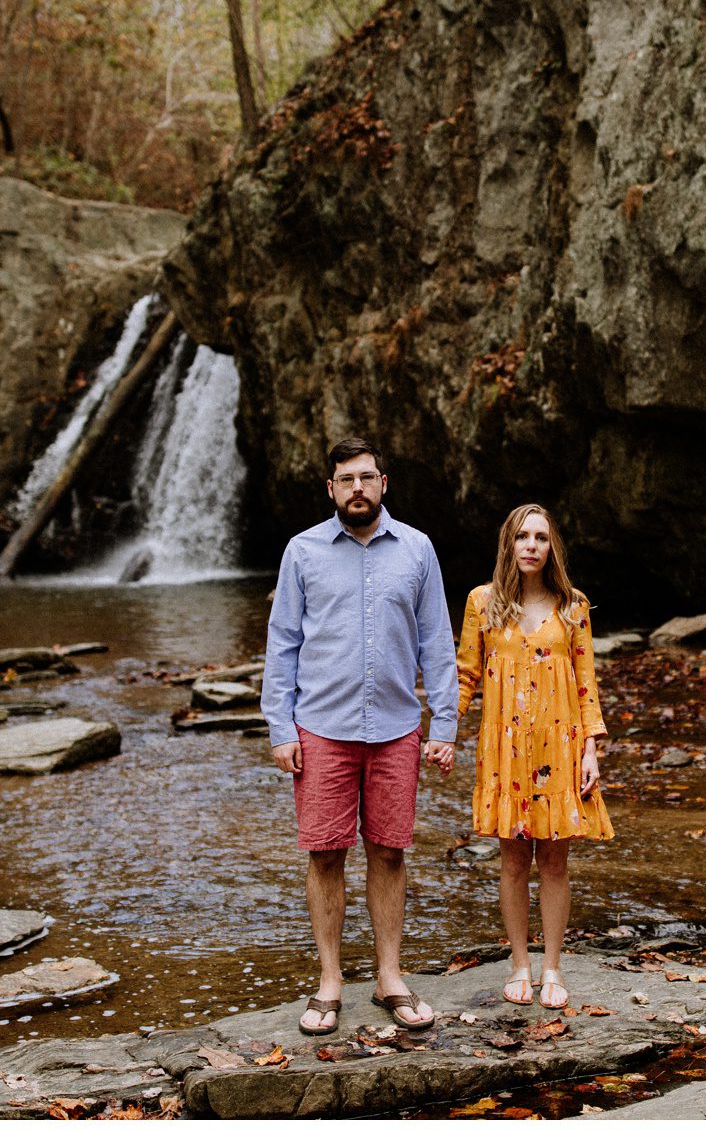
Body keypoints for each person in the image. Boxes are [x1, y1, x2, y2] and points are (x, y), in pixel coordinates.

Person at [262, 437, 458, 1037]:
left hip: (397, 728)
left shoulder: (418, 549)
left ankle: (389, 977)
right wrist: (280, 727)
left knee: (390, 851)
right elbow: (282, 643)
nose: (357, 488)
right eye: (346, 479)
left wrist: (445, 724)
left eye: (366, 477)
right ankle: (329, 982)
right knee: (325, 853)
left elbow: (436, 641)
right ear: (331, 488)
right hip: (321, 727)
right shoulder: (302, 551)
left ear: (383, 483)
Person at [455, 503, 613, 1011]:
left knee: (555, 862)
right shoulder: (482, 602)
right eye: (523, 536)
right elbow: (465, 675)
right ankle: (520, 964)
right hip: (504, 749)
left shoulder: (573, 605)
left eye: (541, 538)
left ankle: (552, 968)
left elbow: (586, 683)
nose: (531, 546)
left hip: (560, 745)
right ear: (509, 543)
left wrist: (591, 749)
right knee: (512, 861)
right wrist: (440, 732)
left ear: (551, 548)